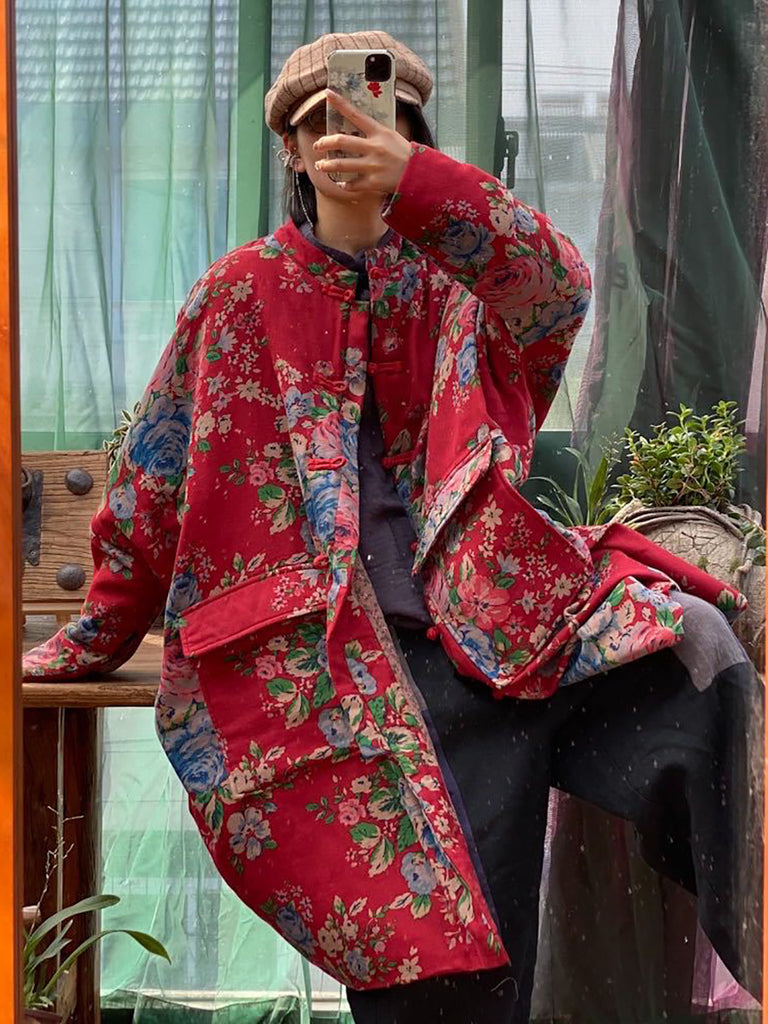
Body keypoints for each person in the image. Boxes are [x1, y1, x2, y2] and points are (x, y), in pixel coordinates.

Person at [23, 30, 761, 1023]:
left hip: (499, 630)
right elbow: (150, 484)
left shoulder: (461, 286)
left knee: (699, 663)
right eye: (323, 121)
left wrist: (419, 187)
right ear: (291, 150)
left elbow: (557, 290)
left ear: (413, 137)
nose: (350, 135)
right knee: (444, 952)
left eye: (383, 117)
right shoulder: (237, 295)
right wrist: (98, 632)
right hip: (323, 667)